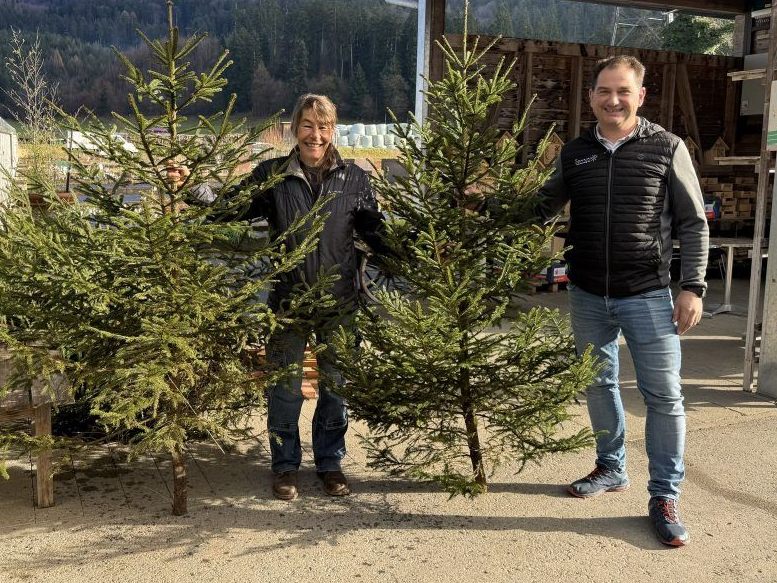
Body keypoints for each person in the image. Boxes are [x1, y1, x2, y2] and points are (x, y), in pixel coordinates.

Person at [170, 94, 387, 500]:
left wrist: (426, 250)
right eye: (307, 125)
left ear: (333, 130)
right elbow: (228, 207)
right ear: (294, 129)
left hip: (340, 304)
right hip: (289, 303)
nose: (315, 135)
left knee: (336, 388)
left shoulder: (355, 179)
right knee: (285, 390)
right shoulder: (272, 176)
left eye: (323, 127)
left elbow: (377, 233)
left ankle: (330, 464)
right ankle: (285, 467)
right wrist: (191, 187)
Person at [536, 55, 708, 546]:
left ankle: (664, 495)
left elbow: (693, 221)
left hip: (648, 294)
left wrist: (692, 287)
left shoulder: (666, 147)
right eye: (604, 91)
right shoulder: (576, 153)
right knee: (597, 383)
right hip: (588, 293)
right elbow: (541, 205)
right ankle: (611, 467)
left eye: (623, 91)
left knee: (664, 396)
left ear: (640, 96)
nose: (613, 100)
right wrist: (484, 209)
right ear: (591, 96)